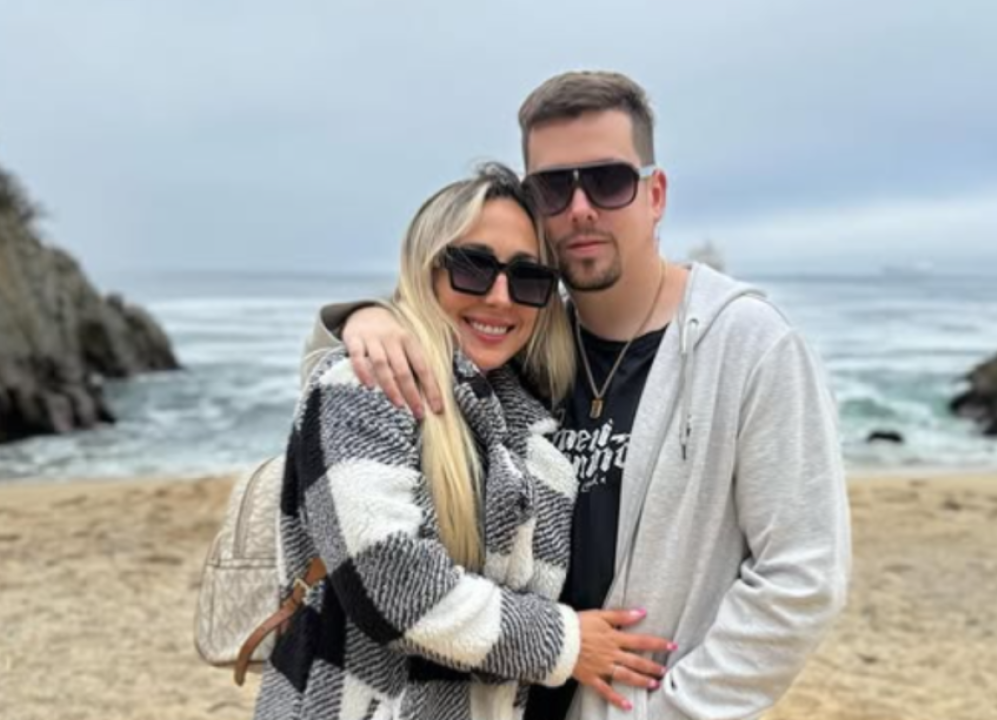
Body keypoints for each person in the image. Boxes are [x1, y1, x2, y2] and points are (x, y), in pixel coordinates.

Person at [303, 72, 851, 720]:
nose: (581, 208)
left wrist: (675, 712)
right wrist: (364, 320)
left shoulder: (747, 344)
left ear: (655, 194)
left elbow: (802, 577)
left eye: (609, 181)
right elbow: (352, 401)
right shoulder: (525, 339)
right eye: (554, 188)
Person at [255, 163, 672, 720]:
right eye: (472, 267)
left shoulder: (530, 421)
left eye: (528, 278)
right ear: (426, 268)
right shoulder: (364, 383)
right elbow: (388, 582)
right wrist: (566, 644)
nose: (501, 297)